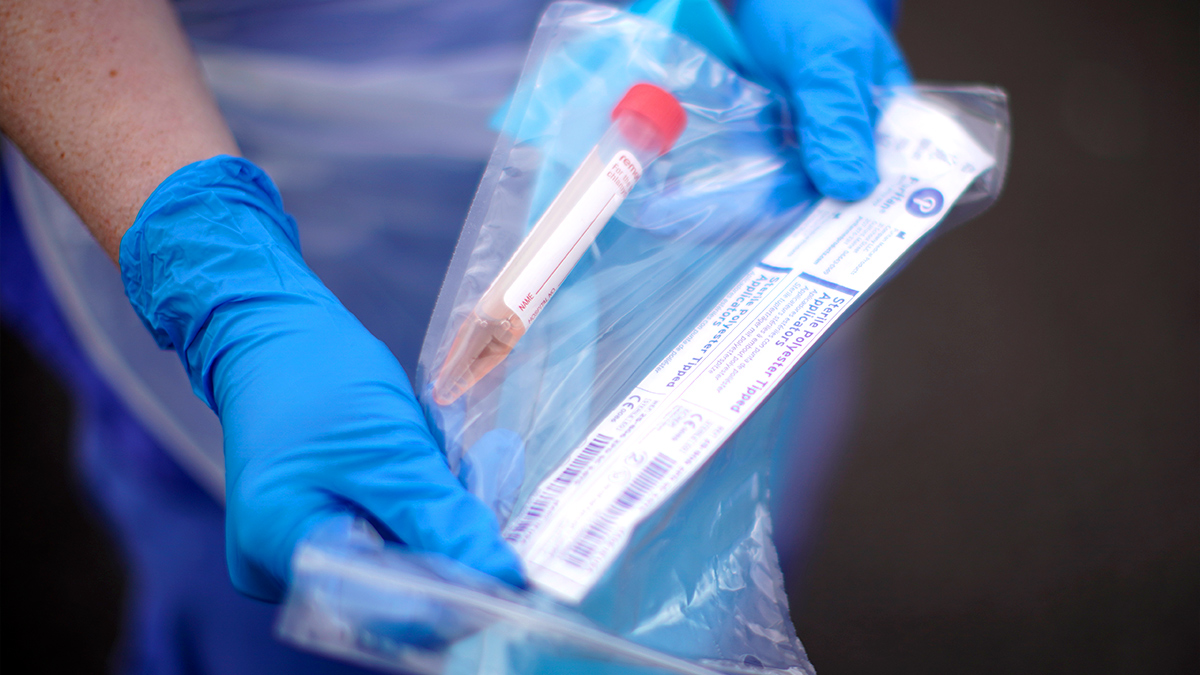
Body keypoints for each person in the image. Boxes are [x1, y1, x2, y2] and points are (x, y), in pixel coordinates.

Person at [0, 0, 909, 671]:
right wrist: (228, 288)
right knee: (326, 591)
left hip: (682, 140)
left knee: (674, 536)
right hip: (219, 138)